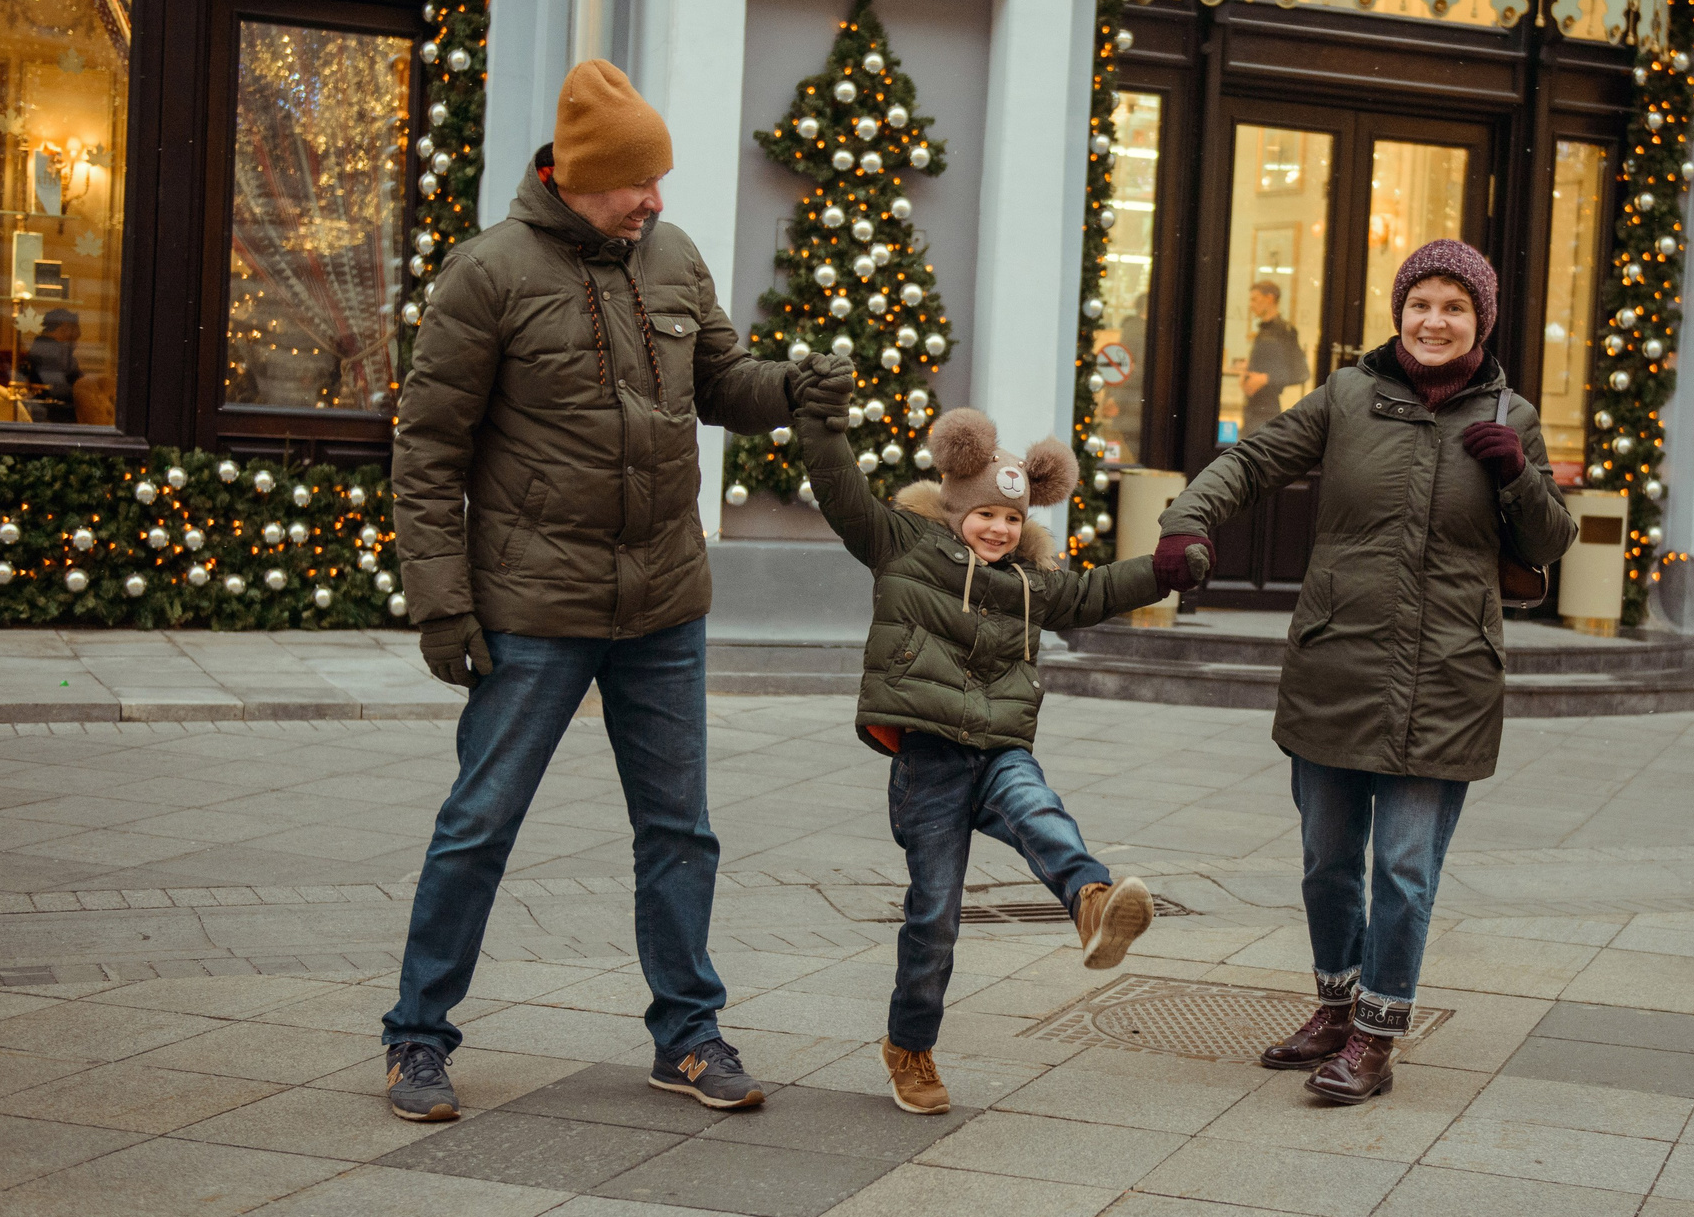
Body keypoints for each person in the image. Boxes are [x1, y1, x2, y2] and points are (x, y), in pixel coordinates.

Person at [383, 59, 853, 1124]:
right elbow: (428, 450)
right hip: (532, 607)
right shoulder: (487, 274)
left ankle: (686, 1034)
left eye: (658, 181)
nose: (655, 199)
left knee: (679, 828)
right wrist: (440, 602)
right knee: (479, 823)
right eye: (638, 182)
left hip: (663, 604)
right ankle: (418, 1034)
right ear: (579, 176)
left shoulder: (673, 256)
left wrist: (793, 386)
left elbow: (723, 383)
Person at [1150, 239, 1578, 1104]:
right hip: (1338, 659)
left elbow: (1547, 544)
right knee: (1328, 858)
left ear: (1480, 320)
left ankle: (1378, 1037)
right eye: (1423, 302)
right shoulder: (1347, 395)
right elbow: (1253, 460)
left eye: (1455, 306)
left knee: (1406, 867)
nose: (1435, 320)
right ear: (1399, 311)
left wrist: (1518, 473)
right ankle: (1335, 1009)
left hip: (1448, 673)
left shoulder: (1512, 414)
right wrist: (1186, 518)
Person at [800, 402, 1167, 1114]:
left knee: (1038, 807)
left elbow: (1096, 591)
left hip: (997, 750)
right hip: (929, 761)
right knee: (934, 915)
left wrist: (1167, 568)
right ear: (957, 505)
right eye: (986, 514)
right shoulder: (903, 544)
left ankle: (1092, 902)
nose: (999, 528)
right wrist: (822, 425)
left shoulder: (1030, 584)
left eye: (1011, 518)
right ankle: (909, 1046)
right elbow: (843, 495)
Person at [1239, 280, 1309, 433]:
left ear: (1269, 298)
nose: (1251, 305)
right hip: (1251, 408)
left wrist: (1265, 379)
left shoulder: (1284, 331)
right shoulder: (1262, 330)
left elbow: (1301, 373)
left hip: (1267, 412)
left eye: (1255, 299)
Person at [19, 308, 80, 420]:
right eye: (74, 337)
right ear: (64, 328)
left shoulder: (47, 349)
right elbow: (58, 390)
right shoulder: (48, 351)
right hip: (55, 417)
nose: (76, 343)